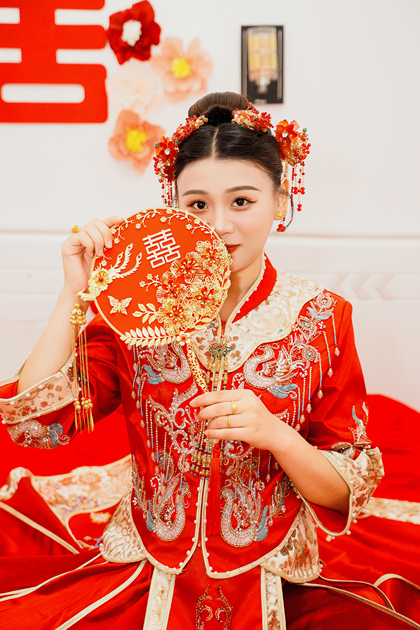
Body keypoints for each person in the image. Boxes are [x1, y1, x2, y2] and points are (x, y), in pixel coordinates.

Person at [0, 91, 417, 629]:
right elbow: (35, 426)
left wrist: (277, 435)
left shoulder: (322, 317)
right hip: (147, 567)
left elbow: (346, 489)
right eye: (197, 205)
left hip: (273, 580)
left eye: (242, 201)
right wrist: (74, 292)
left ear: (280, 200)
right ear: (174, 205)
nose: (219, 225)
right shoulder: (137, 309)